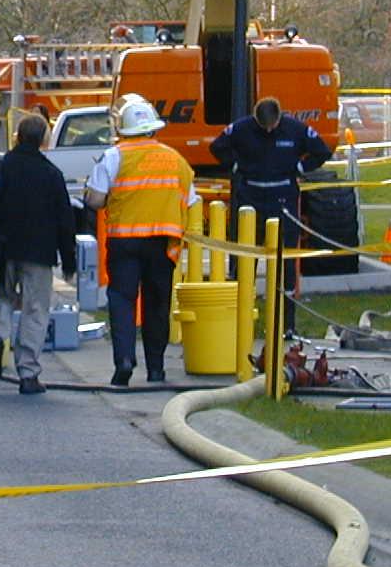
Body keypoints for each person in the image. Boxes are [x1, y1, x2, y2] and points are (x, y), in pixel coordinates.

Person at [84, 94, 198, 386]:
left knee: (122, 300)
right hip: (163, 242)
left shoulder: (115, 155)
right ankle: (156, 370)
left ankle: (123, 361)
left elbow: (95, 200)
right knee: (156, 304)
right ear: (153, 128)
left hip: (125, 241)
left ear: (123, 129)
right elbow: (191, 201)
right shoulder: (176, 160)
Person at [0, 113, 77, 395]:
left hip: (2, 247)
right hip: (39, 252)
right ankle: (28, 372)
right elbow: (66, 221)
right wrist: (69, 259)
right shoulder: (52, 175)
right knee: (35, 309)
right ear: (43, 139)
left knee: (2, 295)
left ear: (17, 136)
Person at [209, 95, 332, 335]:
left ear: (279, 119)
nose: (267, 130)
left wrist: (300, 169)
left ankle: (286, 324)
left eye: (271, 127)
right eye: (263, 126)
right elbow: (217, 147)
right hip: (251, 198)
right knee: (245, 258)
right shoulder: (242, 128)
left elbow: (321, 151)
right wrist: (236, 167)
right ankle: (240, 320)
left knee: (284, 263)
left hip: (282, 198)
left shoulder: (295, 129)